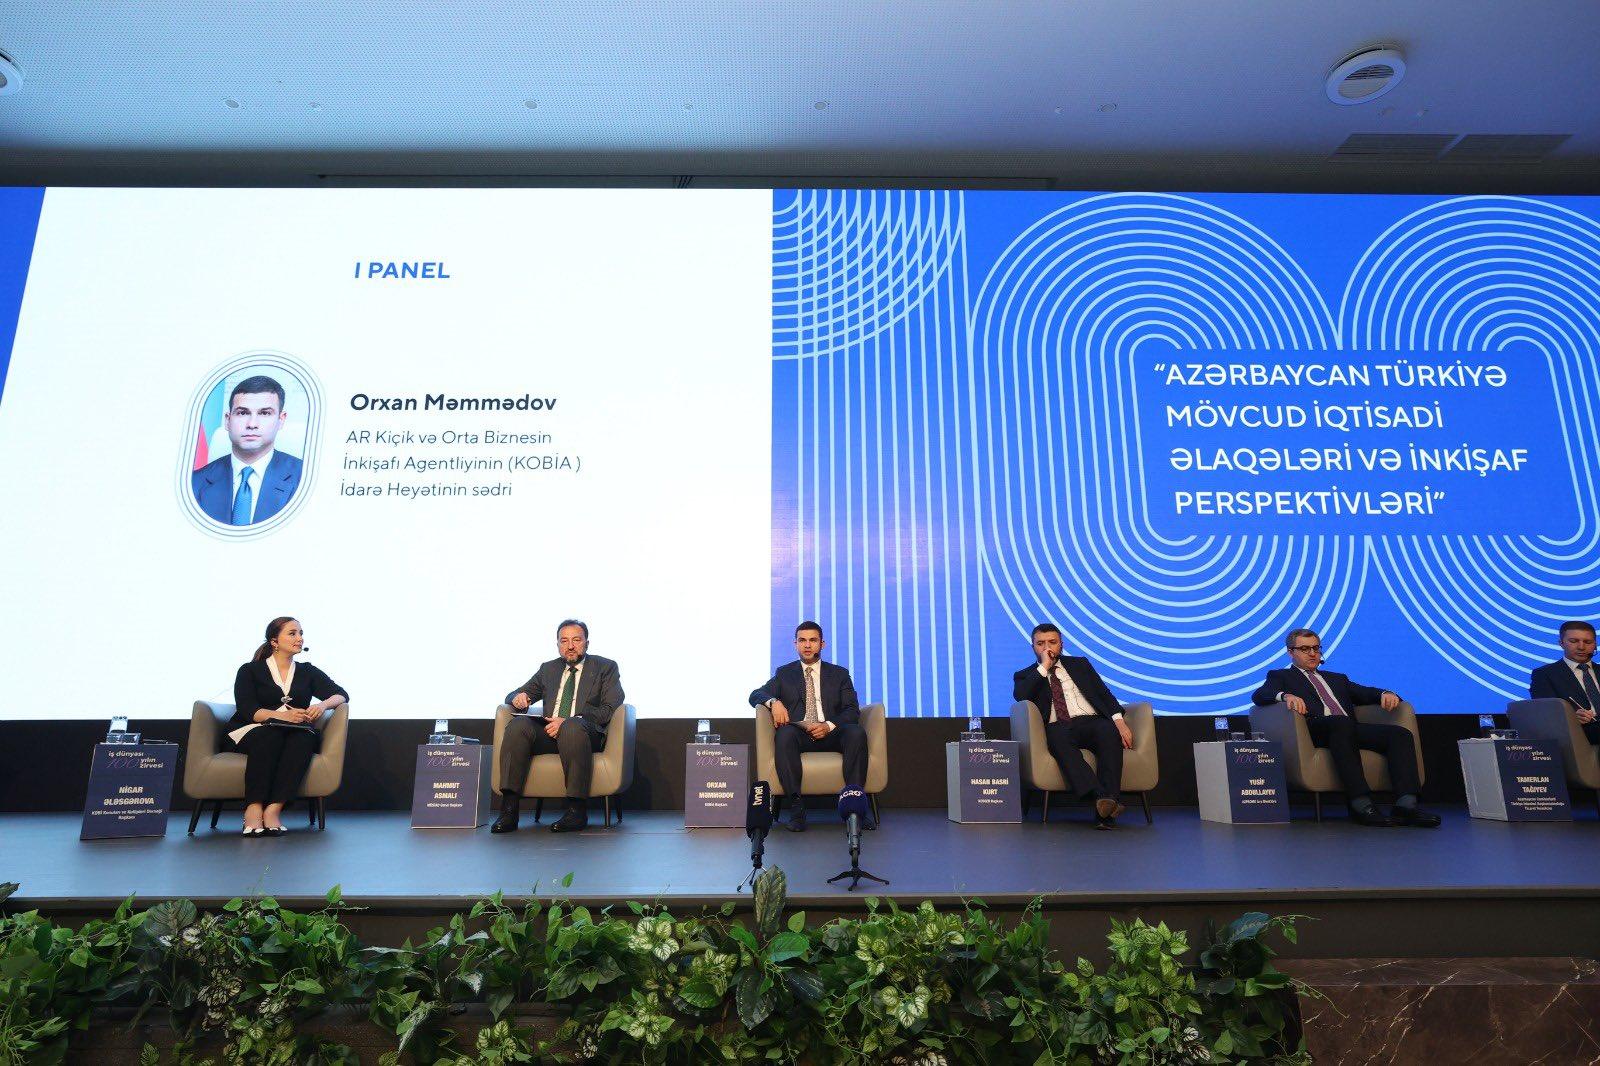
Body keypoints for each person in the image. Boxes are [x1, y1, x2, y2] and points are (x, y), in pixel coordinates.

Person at [1251, 627, 1438, 828]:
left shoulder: (1337, 679)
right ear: (1291, 652)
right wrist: (1285, 696)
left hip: (1347, 728)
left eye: (1316, 648)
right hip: (1315, 730)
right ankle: (1361, 803)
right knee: (1340, 723)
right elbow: (1260, 695)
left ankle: (1406, 806)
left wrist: (1385, 693)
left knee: (1399, 734)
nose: (1312, 653)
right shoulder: (1281, 676)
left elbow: (1365, 693)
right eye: (1305, 649)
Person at [493, 619, 624, 834]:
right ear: (558, 645)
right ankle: (509, 810)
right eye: (564, 641)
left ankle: (576, 811)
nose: (570, 646)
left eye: (576, 640)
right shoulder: (549, 669)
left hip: (585, 733)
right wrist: (518, 697)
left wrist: (571, 720)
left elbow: (610, 707)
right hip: (550, 733)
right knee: (518, 725)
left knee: (572, 727)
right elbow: (514, 694)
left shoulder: (605, 667)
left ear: (587, 643)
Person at [226, 616, 348, 835]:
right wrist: (282, 716)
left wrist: (321, 705)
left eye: (301, 633)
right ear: (274, 641)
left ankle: (273, 809)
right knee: (269, 736)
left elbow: (341, 695)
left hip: (293, 732)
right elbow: (248, 709)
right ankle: (253, 808)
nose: (299, 638)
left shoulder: (307, 671)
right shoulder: (250, 670)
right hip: (253, 729)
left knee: (305, 738)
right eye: (292, 633)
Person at [748, 621, 868, 832]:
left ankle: (856, 809)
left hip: (832, 733)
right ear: (795, 644)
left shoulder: (839, 674)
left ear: (822, 644)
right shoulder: (785, 673)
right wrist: (773, 702)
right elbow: (755, 695)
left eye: (813, 640)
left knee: (856, 733)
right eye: (802, 640)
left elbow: (852, 710)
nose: (807, 645)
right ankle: (796, 808)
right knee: (784, 734)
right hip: (801, 734)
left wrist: (828, 726)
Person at [1012, 623, 1134, 829]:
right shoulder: (1025, 675)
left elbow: (1104, 694)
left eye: (1052, 642)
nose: (1047, 647)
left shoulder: (1080, 664)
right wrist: (1044, 667)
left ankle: (1106, 801)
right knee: (1057, 735)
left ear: (1061, 644)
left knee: (1108, 731)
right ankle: (1102, 801)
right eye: (1040, 644)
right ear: (1033, 647)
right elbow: (1021, 696)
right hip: (1057, 725)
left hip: (1091, 721)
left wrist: (1120, 723)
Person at [192, 374, 304, 526]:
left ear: (281, 420)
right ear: (227, 420)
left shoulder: (306, 477)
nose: (252, 424)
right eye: (243, 413)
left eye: (265, 413)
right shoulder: (193, 482)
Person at [1529, 620, 1600, 744]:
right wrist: (1571, 717)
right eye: (1574, 641)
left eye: (1588, 642)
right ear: (1561, 643)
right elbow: (1545, 714)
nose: (1581, 647)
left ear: (1595, 645)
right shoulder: (1544, 674)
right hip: (1578, 736)